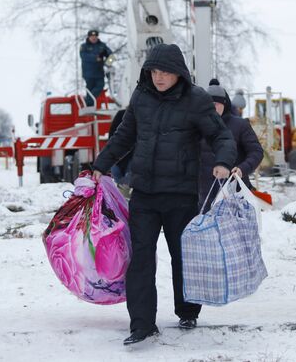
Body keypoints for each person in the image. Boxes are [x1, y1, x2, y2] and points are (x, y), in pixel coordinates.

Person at [91, 43, 237, 345]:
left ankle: (187, 310)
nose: (159, 77)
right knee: (140, 258)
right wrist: (100, 165)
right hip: (144, 192)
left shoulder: (195, 99)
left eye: (165, 72)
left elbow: (220, 135)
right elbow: (124, 136)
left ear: (178, 73)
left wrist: (223, 161)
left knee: (180, 256)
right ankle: (142, 324)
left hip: (180, 194)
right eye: (154, 71)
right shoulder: (141, 97)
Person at [199, 82, 263, 212]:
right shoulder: (198, 126)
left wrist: (242, 169)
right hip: (204, 193)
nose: (213, 107)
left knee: (232, 230)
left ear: (225, 104)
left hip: (234, 190)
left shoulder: (240, 125)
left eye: (216, 104)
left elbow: (256, 152)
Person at [80, 29, 113, 106]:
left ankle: (87, 102)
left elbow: (111, 55)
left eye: (95, 36)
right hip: (88, 73)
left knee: (100, 86)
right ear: (89, 37)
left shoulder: (102, 46)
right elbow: (83, 56)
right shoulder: (84, 46)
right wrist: (95, 58)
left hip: (99, 72)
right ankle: (89, 105)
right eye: (92, 36)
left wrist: (108, 63)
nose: (94, 38)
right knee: (90, 89)